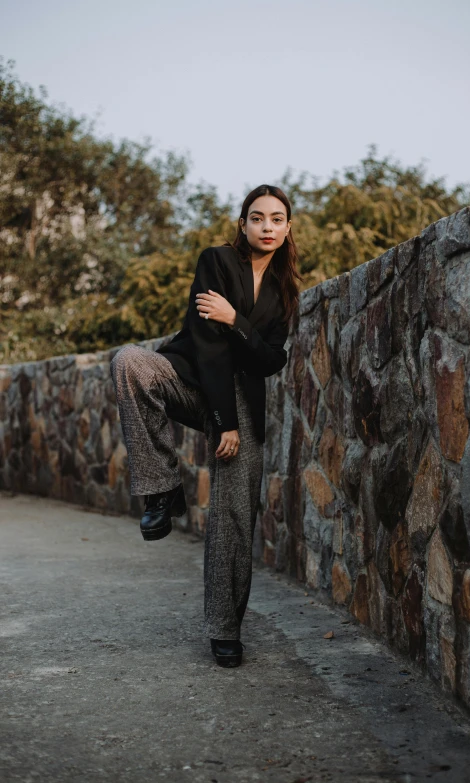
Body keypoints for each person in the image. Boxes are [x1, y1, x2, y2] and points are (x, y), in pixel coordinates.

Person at [110, 184, 302, 667]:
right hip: (194, 379)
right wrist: (224, 423)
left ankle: (224, 629)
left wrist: (236, 318)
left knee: (234, 516)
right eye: (257, 218)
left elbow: (270, 360)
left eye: (276, 219)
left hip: (245, 399)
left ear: (287, 227)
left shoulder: (284, 292)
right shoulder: (216, 261)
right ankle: (161, 490)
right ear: (243, 224)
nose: (267, 228)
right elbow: (210, 344)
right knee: (130, 361)